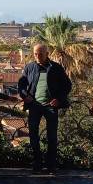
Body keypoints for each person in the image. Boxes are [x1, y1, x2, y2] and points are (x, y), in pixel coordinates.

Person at [17, 43, 73, 174]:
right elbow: (21, 85)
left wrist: (58, 99)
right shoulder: (29, 67)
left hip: (51, 106)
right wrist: (25, 96)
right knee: (33, 135)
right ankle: (37, 163)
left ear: (47, 54)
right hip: (34, 106)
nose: (37, 56)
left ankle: (51, 165)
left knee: (52, 136)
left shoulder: (56, 68)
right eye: (35, 54)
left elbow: (67, 85)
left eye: (40, 54)